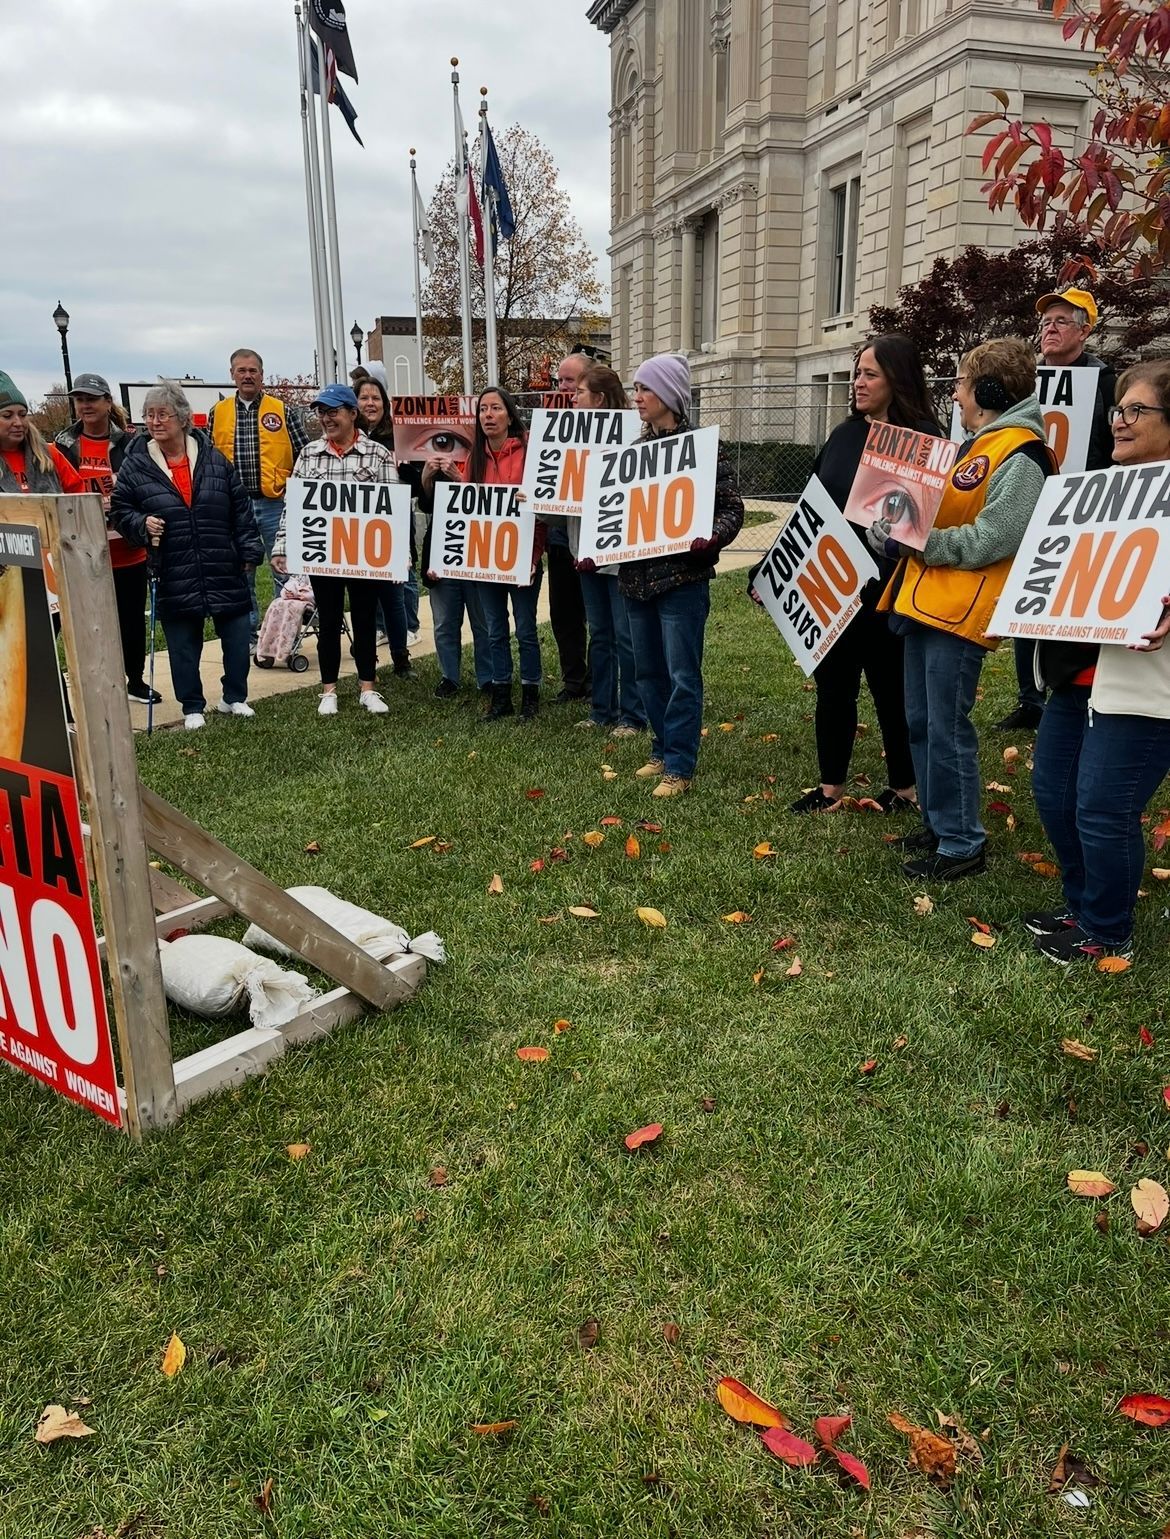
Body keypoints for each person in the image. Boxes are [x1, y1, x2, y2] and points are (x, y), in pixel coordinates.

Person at [873, 337, 1054, 880]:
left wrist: (922, 543)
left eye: (961, 384)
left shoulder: (1021, 455)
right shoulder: (980, 445)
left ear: (989, 391)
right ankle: (939, 823)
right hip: (931, 601)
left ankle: (961, 843)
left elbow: (997, 536)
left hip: (961, 609)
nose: (954, 395)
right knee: (923, 721)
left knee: (946, 725)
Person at [1027, 360, 1170, 966]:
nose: (1120, 421)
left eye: (1137, 410)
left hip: (1145, 687)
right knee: (1055, 794)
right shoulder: (1099, 490)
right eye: (1117, 409)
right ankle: (1082, 904)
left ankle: (1108, 931)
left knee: (1104, 806)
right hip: (1079, 676)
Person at [781, 335, 938, 814]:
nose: (858, 382)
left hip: (893, 588)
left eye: (870, 373)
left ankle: (905, 789)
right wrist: (774, 568)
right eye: (857, 372)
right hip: (834, 586)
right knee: (833, 686)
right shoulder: (844, 435)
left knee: (893, 691)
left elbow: (924, 523)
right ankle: (830, 787)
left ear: (898, 378)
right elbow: (811, 505)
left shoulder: (925, 440)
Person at [608, 353, 744, 797]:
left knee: (682, 673)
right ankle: (662, 748)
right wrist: (599, 548)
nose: (638, 397)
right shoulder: (632, 455)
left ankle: (680, 766)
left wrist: (712, 538)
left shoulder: (703, 449)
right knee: (647, 672)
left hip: (682, 581)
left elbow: (731, 508)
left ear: (669, 395)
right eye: (636, 388)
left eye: (645, 388)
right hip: (636, 582)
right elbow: (617, 515)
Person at [997, 286, 1118, 731]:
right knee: (1027, 600)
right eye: (1046, 321)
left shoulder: (1107, 384)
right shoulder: (1026, 385)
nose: (1049, 328)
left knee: (1077, 602)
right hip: (1030, 505)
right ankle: (1030, 698)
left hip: (1086, 510)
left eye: (1062, 321)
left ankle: (1080, 689)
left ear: (1085, 331)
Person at [112, 380, 261, 730]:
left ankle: (234, 697)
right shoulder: (136, 465)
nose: (154, 422)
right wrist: (141, 523)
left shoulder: (214, 459)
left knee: (238, 639)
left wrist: (250, 551)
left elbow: (240, 508)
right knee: (182, 646)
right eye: (149, 415)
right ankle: (192, 706)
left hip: (222, 562)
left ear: (181, 418)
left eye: (162, 414)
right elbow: (120, 510)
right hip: (173, 567)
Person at [271, 384, 394, 717]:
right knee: (328, 619)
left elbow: (393, 509)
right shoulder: (309, 454)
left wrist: (398, 557)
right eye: (321, 412)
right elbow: (291, 507)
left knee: (366, 618)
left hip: (364, 555)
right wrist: (281, 546)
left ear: (352, 414)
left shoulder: (378, 455)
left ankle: (368, 688)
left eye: (333, 411)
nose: (326, 419)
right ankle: (329, 691)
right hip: (324, 553)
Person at [54, 372, 160, 706]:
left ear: (106, 402)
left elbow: (145, 488)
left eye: (91, 398)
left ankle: (135, 680)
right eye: (79, 399)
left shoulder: (131, 443)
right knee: (90, 624)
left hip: (127, 549)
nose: (85, 405)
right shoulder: (63, 444)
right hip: (83, 552)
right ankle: (96, 682)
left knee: (130, 620)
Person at [207, 348, 308, 646]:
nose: (247, 375)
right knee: (242, 572)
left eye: (253, 370)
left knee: (285, 570)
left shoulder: (283, 410)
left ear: (262, 375)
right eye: (241, 370)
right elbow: (209, 460)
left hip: (276, 503)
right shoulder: (219, 412)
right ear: (232, 375)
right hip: (234, 507)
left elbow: (304, 454)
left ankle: (286, 635)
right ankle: (249, 635)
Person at [566, 363, 646, 737]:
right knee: (600, 633)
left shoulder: (633, 440)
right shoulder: (566, 441)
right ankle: (602, 710)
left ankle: (632, 715)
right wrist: (540, 498)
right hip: (584, 551)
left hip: (619, 553)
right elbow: (564, 504)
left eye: (579, 392)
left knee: (625, 634)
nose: (572, 397)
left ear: (597, 398)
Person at [462, 386, 546, 721]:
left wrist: (534, 557)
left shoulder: (529, 452)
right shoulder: (475, 457)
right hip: (487, 560)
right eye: (483, 410)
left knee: (525, 628)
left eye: (495, 408)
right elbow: (464, 511)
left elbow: (539, 513)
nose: (488, 415)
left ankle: (530, 695)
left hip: (522, 557)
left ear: (509, 415)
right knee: (494, 629)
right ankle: (501, 696)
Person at [356, 375, 414, 676]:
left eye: (375, 397)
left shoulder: (399, 437)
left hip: (393, 526)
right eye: (363, 397)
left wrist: (409, 471)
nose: (369, 403)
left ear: (385, 403)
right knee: (362, 599)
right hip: (356, 532)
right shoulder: (348, 438)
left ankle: (401, 657)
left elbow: (416, 486)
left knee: (394, 597)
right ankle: (366, 658)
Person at [546, 352, 592, 703]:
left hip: (601, 539)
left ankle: (605, 683)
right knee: (564, 616)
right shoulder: (552, 427)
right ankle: (574, 681)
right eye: (559, 381)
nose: (563, 388)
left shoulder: (615, 426)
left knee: (605, 623)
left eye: (570, 381)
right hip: (561, 539)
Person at [0, 371, 84, 496]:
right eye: (7, 416)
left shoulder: (49, 455)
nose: (18, 422)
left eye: (23, 415)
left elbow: (80, 497)